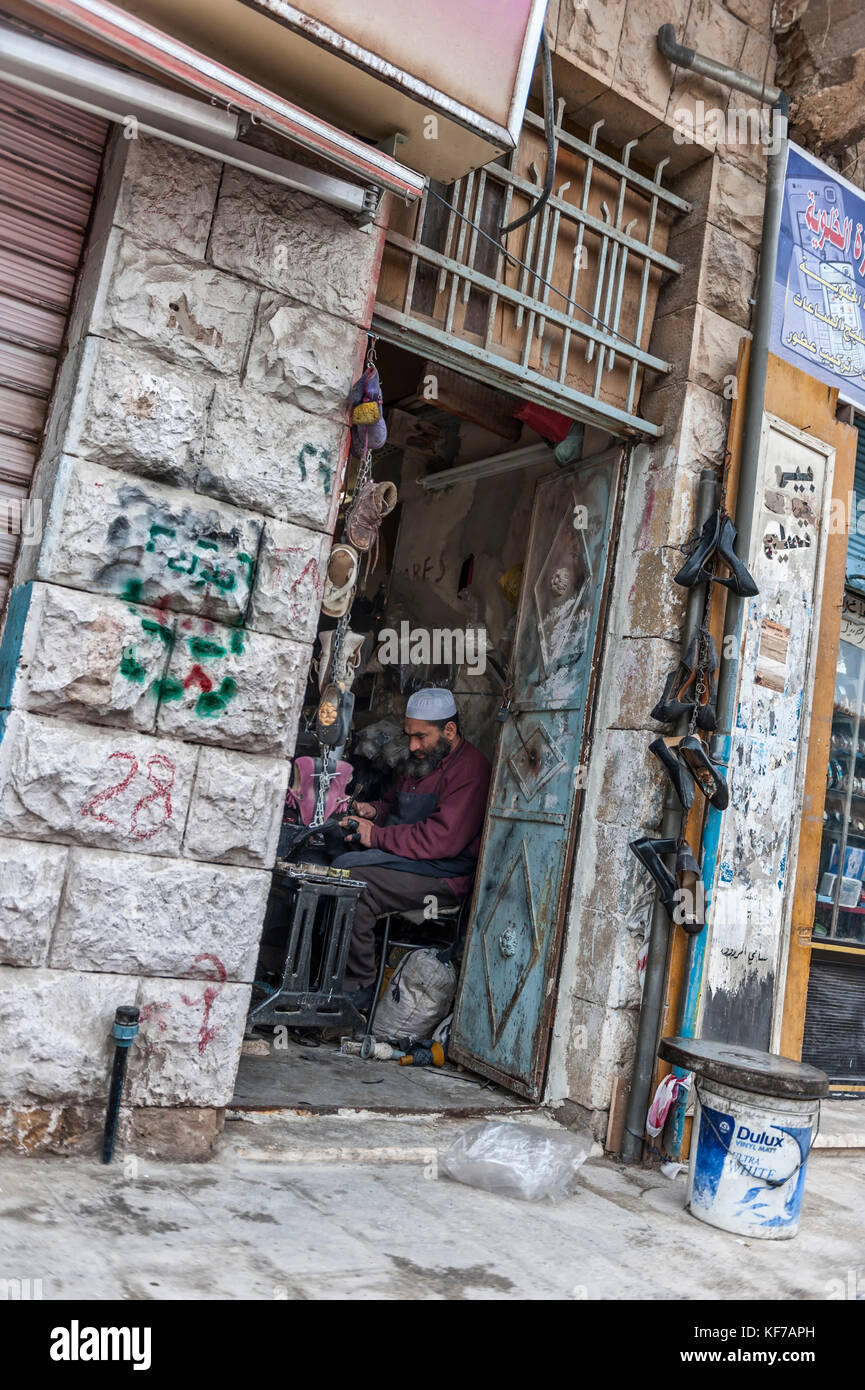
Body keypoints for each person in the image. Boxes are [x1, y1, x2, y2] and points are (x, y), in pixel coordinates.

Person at [335, 687, 492, 1011]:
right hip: (406, 858)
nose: (412, 745)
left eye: (421, 736)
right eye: (409, 736)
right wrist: (371, 812)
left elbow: (439, 840)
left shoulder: (471, 770)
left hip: (444, 875)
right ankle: (323, 977)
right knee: (331, 855)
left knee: (352, 881)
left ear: (449, 730)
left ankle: (358, 989)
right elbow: (393, 807)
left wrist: (375, 837)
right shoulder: (421, 760)